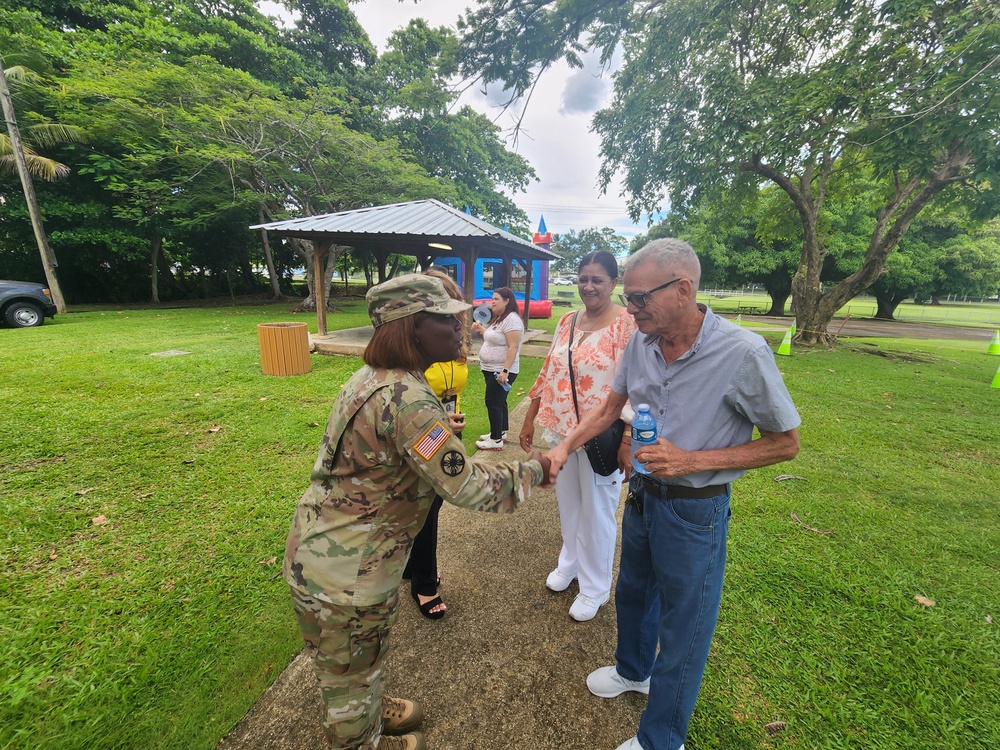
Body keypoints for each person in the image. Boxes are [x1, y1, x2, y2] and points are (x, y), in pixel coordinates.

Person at [545, 239, 800, 750]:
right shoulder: (641, 342)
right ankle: (633, 671)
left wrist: (692, 460)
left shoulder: (742, 352)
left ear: (683, 289)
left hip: (695, 511)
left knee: (685, 628)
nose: (631, 307)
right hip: (642, 495)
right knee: (635, 594)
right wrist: (566, 445)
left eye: (640, 298)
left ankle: (661, 739)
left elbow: (785, 444)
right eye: (630, 298)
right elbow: (607, 406)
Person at [283, 274, 551, 750]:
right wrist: (536, 470)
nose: (461, 328)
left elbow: (391, 444)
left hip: (331, 554)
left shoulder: (380, 381)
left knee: (356, 659)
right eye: (446, 319)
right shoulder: (408, 400)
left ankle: (370, 706)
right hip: (350, 574)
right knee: (347, 678)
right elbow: (469, 487)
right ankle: (360, 733)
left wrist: (438, 427)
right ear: (411, 328)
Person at [518, 251, 636, 621]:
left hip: (604, 435)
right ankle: (569, 562)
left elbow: (637, 383)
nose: (588, 286)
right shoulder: (568, 320)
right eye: (583, 278)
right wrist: (531, 414)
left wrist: (630, 437)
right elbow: (550, 368)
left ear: (614, 283)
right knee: (568, 504)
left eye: (597, 279)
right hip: (561, 429)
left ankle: (595, 587)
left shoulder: (626, 324)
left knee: (598, 510)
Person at [402, 268, 469, 619]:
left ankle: (412, 567)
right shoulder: (407, 364)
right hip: (424, 433)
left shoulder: (452, 343)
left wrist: (449, 421)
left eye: (454, 313)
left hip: (447, 428)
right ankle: (424, 583)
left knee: (433, 504)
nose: (455, 323)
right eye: (442, 314)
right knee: (426, 506)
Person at [471, 286, 523, 450]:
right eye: (492, 299)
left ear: (507, 301)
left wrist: (505, 371)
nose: (492, 302)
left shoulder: (512, 320)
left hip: (500, 371)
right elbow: (497, 338)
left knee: (493, 402)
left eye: (496, 299)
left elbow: (512, 346)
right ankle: (500, 432)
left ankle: (495, 440)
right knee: (500, 402)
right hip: (490, 368)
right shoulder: (501, 318)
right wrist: (481, 330)